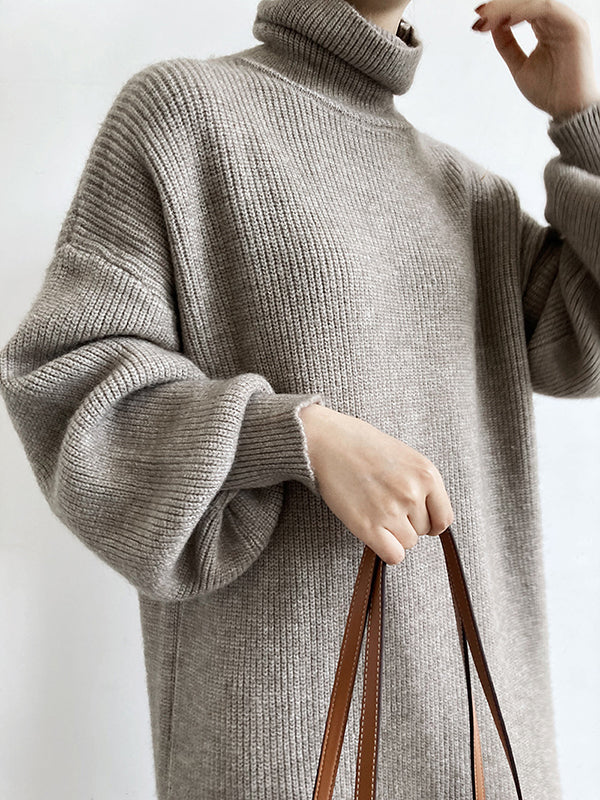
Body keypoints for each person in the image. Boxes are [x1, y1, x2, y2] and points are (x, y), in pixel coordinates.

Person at [1, 0, 598, 797]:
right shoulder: (184, 116)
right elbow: (66, 384)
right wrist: (298, 436)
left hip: (483, 747)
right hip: (282, 745)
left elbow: (585, 346)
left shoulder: (472, 197)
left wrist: (582, 118)